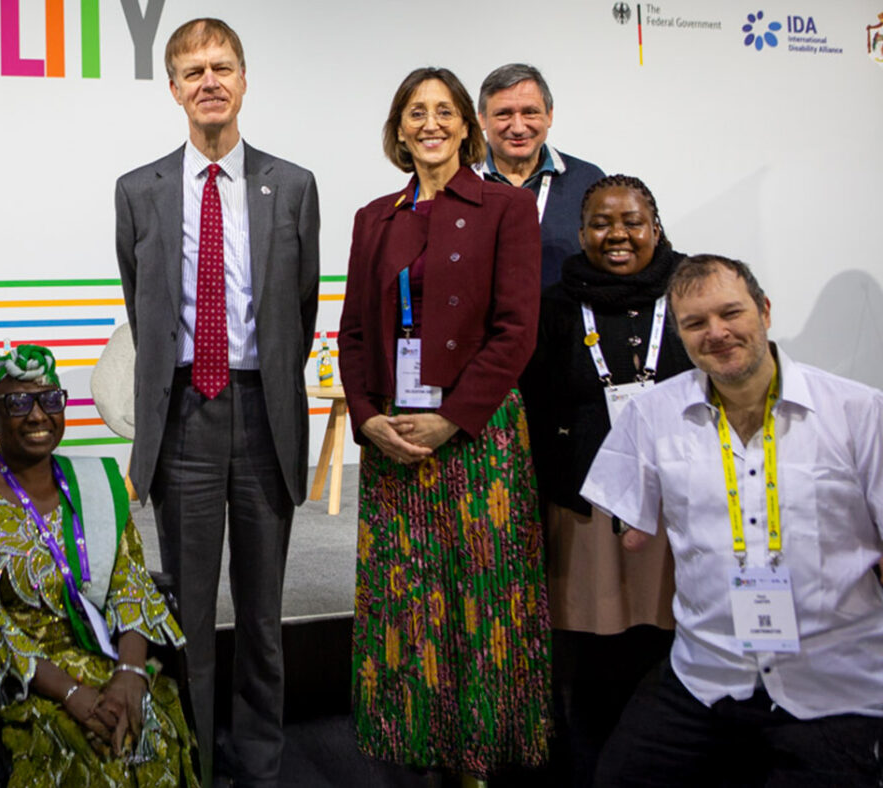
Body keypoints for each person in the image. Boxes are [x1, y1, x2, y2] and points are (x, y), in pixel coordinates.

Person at [582, 255, 883, 787]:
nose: (716, 333)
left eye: (731, 313)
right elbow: (630, 531)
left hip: (837, 682)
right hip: (705, 673)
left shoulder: (860, 413)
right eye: (695, 323)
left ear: (764, 311)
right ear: (679, 333)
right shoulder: (651, 415)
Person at [113, 17, 320, 787]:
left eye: (222, 66)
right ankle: (192, 762)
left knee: (262, 616)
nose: (209, 81)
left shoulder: (291, 185)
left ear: (243, 78)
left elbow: (298, 304)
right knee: (189, 614)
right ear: (172, 87)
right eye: (192, 69)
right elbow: (144, 310)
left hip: (264, 415)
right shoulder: (139, 191)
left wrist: (261, 383)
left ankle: (261, 764)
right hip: (186, 422)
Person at [336, 66, 550, 780]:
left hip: (478, 434)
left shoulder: (505, 208)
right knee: (407, 598)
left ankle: (483, 756)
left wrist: (452, 419)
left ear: (467, 126)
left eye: (445, 111)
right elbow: (357, 335)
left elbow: (517, 331)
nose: (430, 123)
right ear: (398, 128)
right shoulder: (376, 217)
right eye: (415, 111)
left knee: (479, 600)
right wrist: (367, 418)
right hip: (395, 435)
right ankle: (416, 744)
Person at [0, 345, 197, 786]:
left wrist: (129, 675)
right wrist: (71, 693)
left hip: (102, 655)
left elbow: (131, 585)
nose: (36, 415)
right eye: (17, 403)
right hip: (18, 674)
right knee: (87, 747)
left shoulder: (96, 485)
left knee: (152, 721)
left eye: (50, 400)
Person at [520, 175, 692, 787]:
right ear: (580, 231)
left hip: (679, 516)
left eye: (631, 221)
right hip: (585, 510)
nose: (616, 234)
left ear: (655, 227)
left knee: (674, 657)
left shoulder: (691, 294)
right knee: (590, 668)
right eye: (600, 223)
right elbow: (535, 408)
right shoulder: (556, 305)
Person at [477, 63, 606, 288]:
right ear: (482, 119)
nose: (518, 127)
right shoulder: (459, 181)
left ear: (549, 115)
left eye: (530, 112)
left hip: (565, 320)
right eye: (503, 114)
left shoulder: (588, 181)